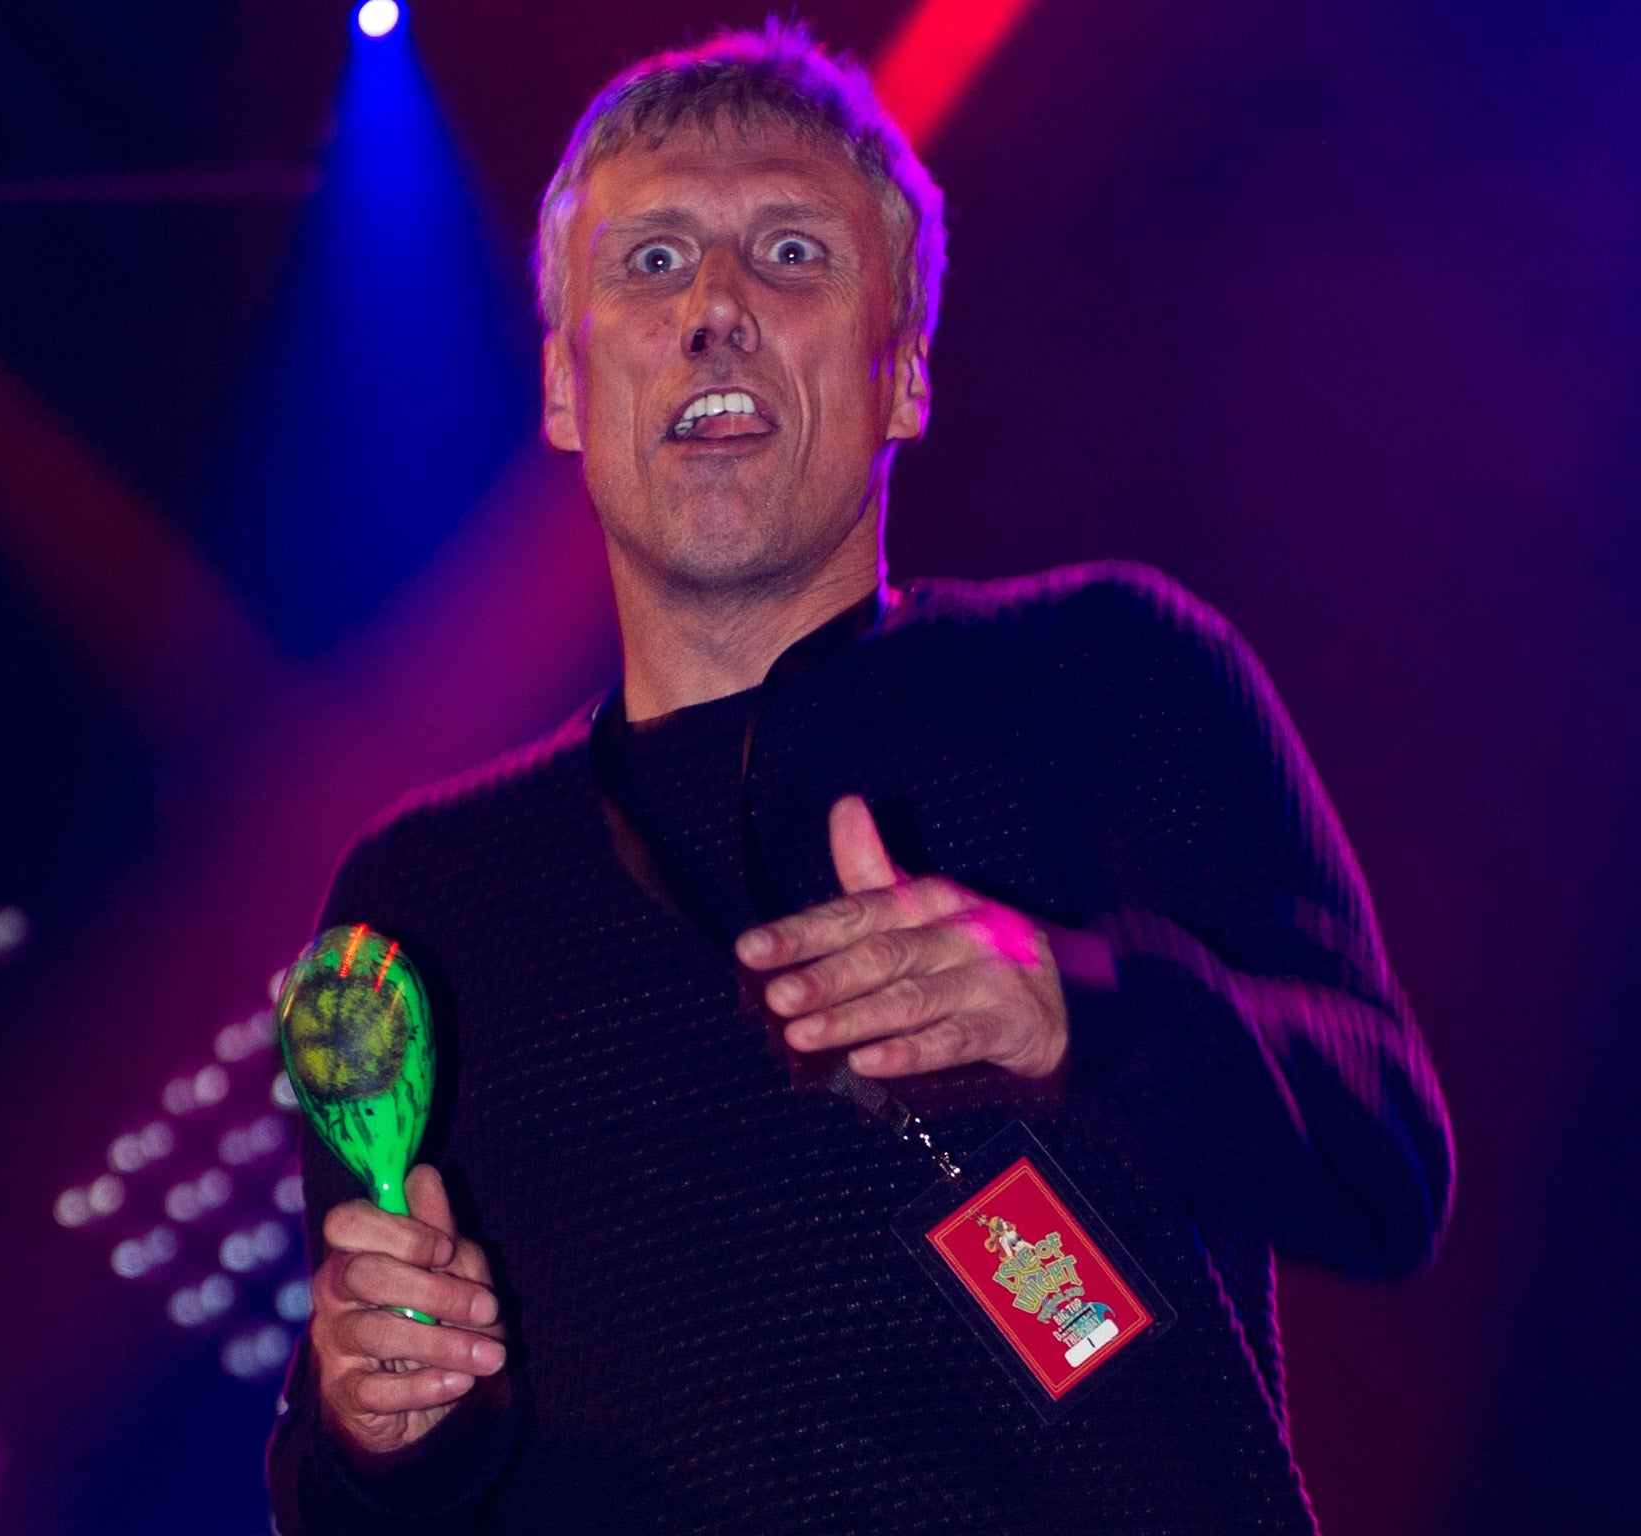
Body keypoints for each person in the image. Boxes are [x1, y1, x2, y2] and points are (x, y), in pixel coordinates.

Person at [267, 21, 1452, 1535]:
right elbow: (343, 1500)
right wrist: (384, 1426)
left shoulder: (1101, 670)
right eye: (649, 265)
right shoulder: (420, 900)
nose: (712, 310)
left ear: (903, 376)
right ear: (564, 394)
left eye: (789, 252)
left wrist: (1069, 1002)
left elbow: (1382, 1165)